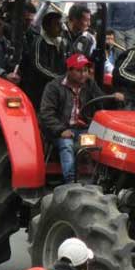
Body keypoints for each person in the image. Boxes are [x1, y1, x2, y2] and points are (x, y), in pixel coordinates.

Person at [40, 52, 121, 184]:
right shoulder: (54, 87)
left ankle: (98, 181)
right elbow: (46, 114)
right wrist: (61, 130)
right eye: (79, 71)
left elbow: (101, 102)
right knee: (67, 145)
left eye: (85, 70)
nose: (84, 74)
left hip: (83, 129)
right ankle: (71, 183)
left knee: (100, 143)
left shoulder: (90, 84)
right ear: (69, 71)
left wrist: (114, 98)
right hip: (60, 130)